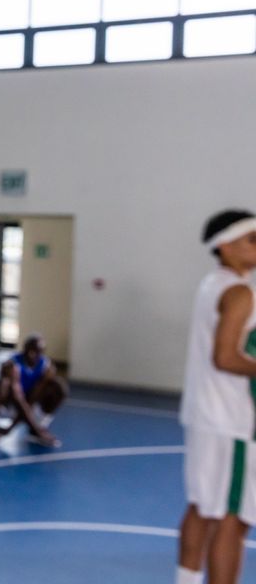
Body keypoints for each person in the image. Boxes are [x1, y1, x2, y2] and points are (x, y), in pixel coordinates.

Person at [177, 209, 256, 584]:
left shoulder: (213, 283)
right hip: (231, 420)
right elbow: (225, 357)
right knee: (233, 519)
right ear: (224, 246)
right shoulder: (240, 291)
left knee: (202, 508)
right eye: (252, 240)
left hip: (205, 414)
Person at [0, 333, 67, 447]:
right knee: (1, 384)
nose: (32, 354)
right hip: (11, 407)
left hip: (32, 405)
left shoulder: (47, 367)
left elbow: (32, 399)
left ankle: (40, 427)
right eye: (30, 350)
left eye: (37, 351)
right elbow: (18, 398)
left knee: (58, 386)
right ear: (24, 349)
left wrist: (10, 429)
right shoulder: (12, 365)